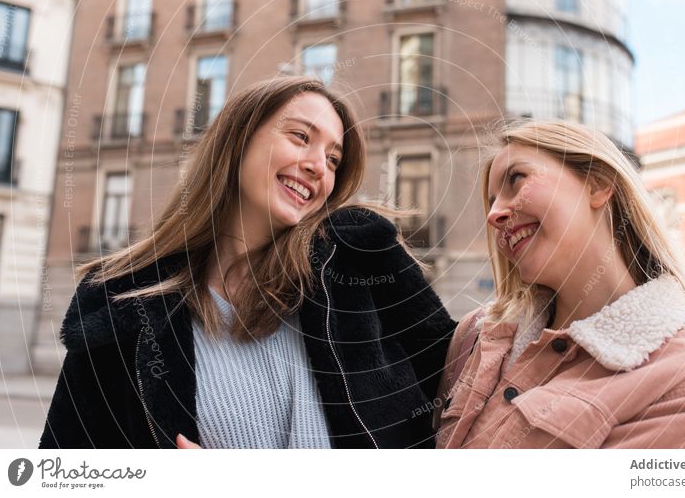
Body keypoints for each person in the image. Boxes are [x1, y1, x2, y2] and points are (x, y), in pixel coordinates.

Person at [40, 76, 455, 449]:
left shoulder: (358, 264)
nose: (317, 166)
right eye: (299, 137)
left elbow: (468, 379)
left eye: (332, 159)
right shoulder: (120, 301)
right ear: (238, 139)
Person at [436, 120, 685, 449]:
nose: (494, 215)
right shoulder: (477, 335)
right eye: (492, 201)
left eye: (516, 179)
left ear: (598, 185)